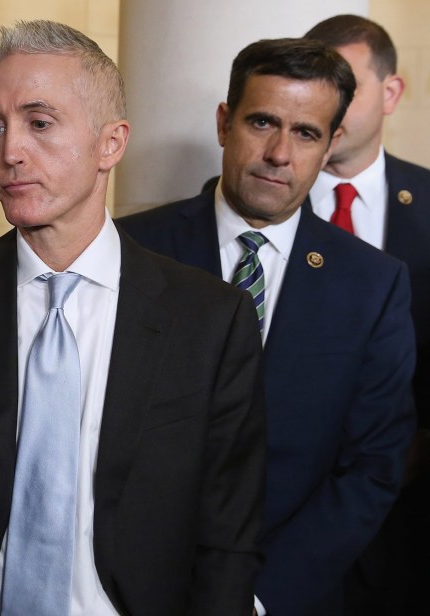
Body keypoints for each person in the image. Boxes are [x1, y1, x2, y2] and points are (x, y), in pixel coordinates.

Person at [0, 19, 266, 615]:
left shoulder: (209, 319)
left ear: (111, 143)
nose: (10, 152)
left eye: (40, 123)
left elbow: (226, 537)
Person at [118, 38, 416, 615]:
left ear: (330, 146)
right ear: (225, 123)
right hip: (128, 588)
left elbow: (370, 469)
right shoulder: (132, 248)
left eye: (306, 133)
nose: (280, 152)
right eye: (262, 122)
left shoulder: (372, 287)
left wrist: (259, 597)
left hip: (284, 596)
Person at [305, 14, 430, 614]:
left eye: (347, 85)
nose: (331, 104)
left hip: (411, 527)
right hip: (280, 527)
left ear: (391, 93)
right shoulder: (249, 200)